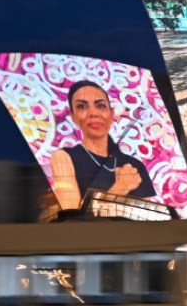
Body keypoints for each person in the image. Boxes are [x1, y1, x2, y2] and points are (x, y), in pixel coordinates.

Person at [49, 80, 156, 210]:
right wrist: (120, 188)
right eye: (82, 107)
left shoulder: (135, 166)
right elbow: (73, 216)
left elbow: (144, 218)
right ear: (73, 116)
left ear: (111, 114)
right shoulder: (63, 158)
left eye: (100, 106)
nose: (93, 113)